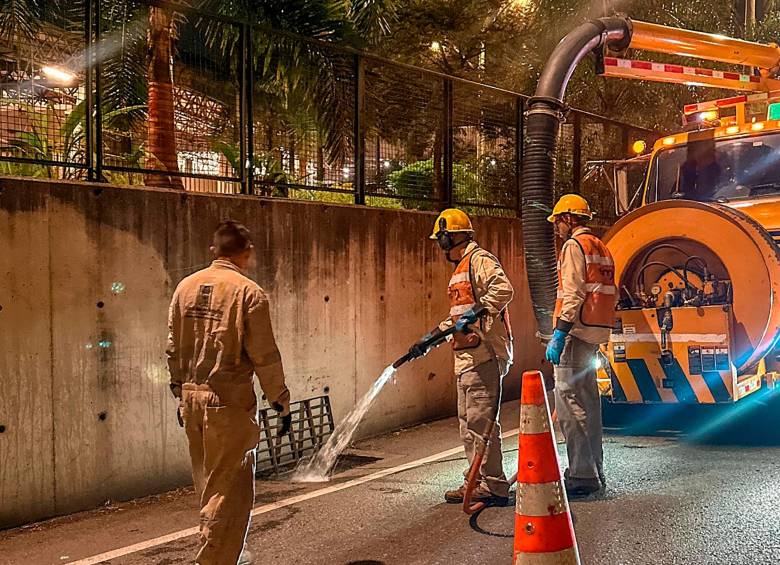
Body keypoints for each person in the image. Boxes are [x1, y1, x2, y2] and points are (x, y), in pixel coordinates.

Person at [166, 220, 292, 565]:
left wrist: (180, 390)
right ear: (247, 253)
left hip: (191, 399)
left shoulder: (184, 288)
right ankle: (214, 559)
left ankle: (222, 551)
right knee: (230, 491)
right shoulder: (248, 293)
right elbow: (264, 355)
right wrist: (279, 400)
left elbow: (173, 347)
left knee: (208, 486)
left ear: (214, 251)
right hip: (228, 403)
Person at [423, 208, 514, 505]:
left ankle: (493, 485)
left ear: (451, 237)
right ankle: (475, 480)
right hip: (467, 357)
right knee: (469, 423)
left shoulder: (479, 260)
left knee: (480, 421)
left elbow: (503, 290)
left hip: (483, 354)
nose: (440, 244)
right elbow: (459, 316)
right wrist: (430, 338)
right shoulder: (463, 266)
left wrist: (478, 310)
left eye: (442, 238)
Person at [545, 195, 616, 497]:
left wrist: (560, 332)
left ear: (569, 219)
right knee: (589, 402)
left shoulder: (573, 246)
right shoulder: (601, 246)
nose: (557, 228)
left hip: (575, 333)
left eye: (559, 221)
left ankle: (582, 474)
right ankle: (594, 469)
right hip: (595, 332)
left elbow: (572, 293)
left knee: (569, 403)